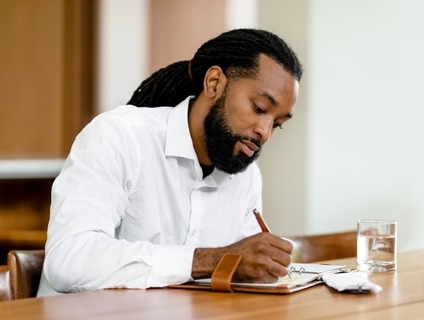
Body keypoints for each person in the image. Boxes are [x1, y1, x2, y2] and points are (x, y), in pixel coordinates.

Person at [37, 28, 303, 296]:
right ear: (213, 83)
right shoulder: (119, 136)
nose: (265, 133)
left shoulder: (247, 177)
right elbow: (68, 259)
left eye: (277, 124)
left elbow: (240, 273)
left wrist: (261, 266)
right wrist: (213, 260)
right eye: (258, 108)